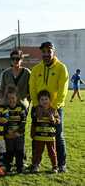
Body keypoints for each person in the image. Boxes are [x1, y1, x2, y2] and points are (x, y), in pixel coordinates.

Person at [29, 41, 69, 172]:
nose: (46, 54)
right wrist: (36, 106)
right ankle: (35, 163)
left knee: (58, 135)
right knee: (36, 135)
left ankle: (61, 164)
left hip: (55, 109)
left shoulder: (61, 68)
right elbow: (32, 88)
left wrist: (54, 107)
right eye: (44, 52)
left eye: (49, 51)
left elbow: (63, 89)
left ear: (53, 52)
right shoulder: (36, 69)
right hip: (38, 108)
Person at [31, 90, 60, 173]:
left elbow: (58, 121)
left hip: (50, 137)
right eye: (42, 99)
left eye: (46, 99)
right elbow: (34, 122)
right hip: (39, 136)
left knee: (52, 152)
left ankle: (55, 166)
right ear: (39, 101)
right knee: (38, 152)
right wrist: (32, 133)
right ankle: (36, 165)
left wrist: (54, 119)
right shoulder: (36, 110)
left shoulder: (53, 110)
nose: (44, 101)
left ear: (50, 100)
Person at [4, 86, 27, 173]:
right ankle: (8, 167)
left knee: (19, 151)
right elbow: (4, 121)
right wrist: (7, 131)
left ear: (17, 98)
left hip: (19, 135)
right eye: (9, 98)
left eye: (13, 98)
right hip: (8, 134)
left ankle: (19, 167)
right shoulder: (5, 108)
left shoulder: (21, 108)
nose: (11, 100)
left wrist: (18, 132)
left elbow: (23, 121)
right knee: (9, 151)